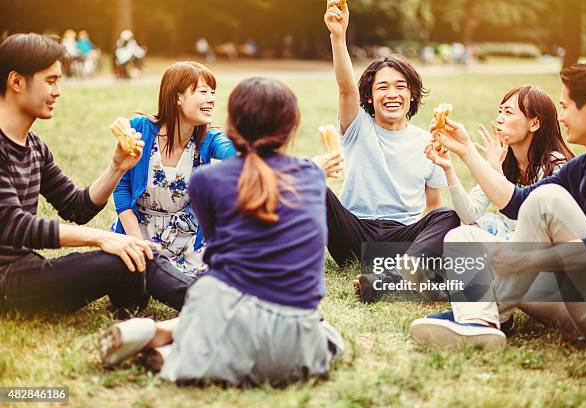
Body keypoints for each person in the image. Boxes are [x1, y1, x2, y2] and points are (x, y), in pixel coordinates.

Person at [98, 77, 344, 387]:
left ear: (232, 126)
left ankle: (165, 338)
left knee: (220, 298)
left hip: (223, 307)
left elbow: (219, 245)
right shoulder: (310, 174)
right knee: (328, 335)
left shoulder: (206, 181)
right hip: (295, 339)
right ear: (291, 128)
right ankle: (172, 345)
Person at [410, 62, 586, 349]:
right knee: (462, 237)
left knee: (546, 200)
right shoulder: (584, 167)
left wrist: (526, 260)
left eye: (565, 107)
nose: (562, 117)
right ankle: (481, 324)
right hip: (573, 304)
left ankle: (475, 312)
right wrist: (465, 150)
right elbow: (517, 203)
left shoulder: (562, 165)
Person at [0, 33, 155, 314]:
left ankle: (146, 300)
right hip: (6, 282)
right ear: (16, 81)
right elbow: (14, 224)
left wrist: (117, 166)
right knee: (122, 259)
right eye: (50, 81)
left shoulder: (35, 147)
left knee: (135, 254)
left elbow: (76, 207)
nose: (58, 91)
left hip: (26, 268)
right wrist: (102, 237)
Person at [323, 0, 460, 303]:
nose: (392, 93)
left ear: (412, 95)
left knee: (447, 215)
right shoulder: (358, 127)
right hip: (353, 235)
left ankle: (393, 277)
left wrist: (426, 245)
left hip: (401, 240)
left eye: (400, 86)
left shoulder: (429, 141)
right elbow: (346, 87)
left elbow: (433, 207)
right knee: (313, 185)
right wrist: (338, 35)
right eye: (382, 87)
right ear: (369, 98)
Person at [112, 61, 236, 279]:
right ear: (178, 97)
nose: (211, 99)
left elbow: (232, 152)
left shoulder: (207, 139)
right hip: (138, 233)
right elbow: (121, 188)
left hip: (186, 240)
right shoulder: (140, 129)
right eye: (203, 91)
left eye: (213, 92)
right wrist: (140, 245)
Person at [426, 86, 574, 241]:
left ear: (534, 124)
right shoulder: (504, 159)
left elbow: (530, 227)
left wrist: (497, 172)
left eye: (508, 112)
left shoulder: (556, 166)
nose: (499, 119)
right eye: (500, 111)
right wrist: (448, 169)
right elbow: (469, 214)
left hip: (541, 249)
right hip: (510, 239)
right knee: (475, 227)